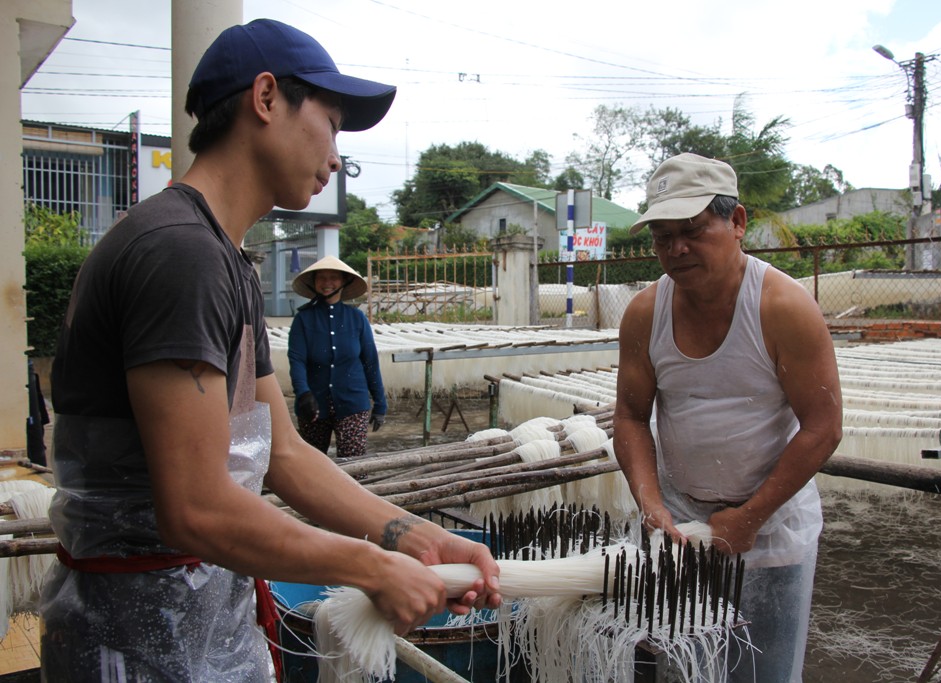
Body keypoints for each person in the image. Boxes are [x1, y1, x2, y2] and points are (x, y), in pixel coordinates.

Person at [39, 18, 500, 681]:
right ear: (265, 99)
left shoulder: (222, 258)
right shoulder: (180, 253)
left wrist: (411, 535)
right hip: (141, 648)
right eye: (333, 123)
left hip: (191, 633)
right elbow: (197, 506)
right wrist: (371, 567)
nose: (337, 155)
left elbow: (281, 452)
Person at [613, 152, 843, 682]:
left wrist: (750, 517)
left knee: (758, 670)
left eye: (692, 230)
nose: (677, 249)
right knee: (677, 667)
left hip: (771, 528)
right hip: (679, 525)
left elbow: (823, 427)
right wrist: (651, 506)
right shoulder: (646, 313)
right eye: (662, 237)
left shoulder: (782, 306)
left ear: (737, 222)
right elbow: (629, 415)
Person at [288, 256, 386, 458]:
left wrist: (380, 403)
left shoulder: (356, 318)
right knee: (311, 466)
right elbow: (297, 360)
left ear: (343, 282)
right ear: (314, 282)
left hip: (353, 403)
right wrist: (304, 394)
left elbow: (370, 362)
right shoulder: (303, 319)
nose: (327, 283)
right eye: (321, 278)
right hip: (313, 404)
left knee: (354, 465)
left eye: (333, 278)